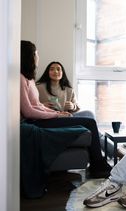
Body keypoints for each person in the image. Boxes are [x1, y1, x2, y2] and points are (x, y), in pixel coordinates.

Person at [20, 40, 111, 178]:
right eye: (36, 54)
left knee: (89, 117)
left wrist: (59, 112)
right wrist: (56, 115)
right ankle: (98, 164)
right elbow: (28, 111)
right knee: (90, 122)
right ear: (29, 56)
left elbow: (37, 106)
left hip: (46, 117)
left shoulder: (30, 79)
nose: (38, 56)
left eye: (58, 69)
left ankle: (99, 161)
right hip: (36, 121)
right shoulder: (24, 80)